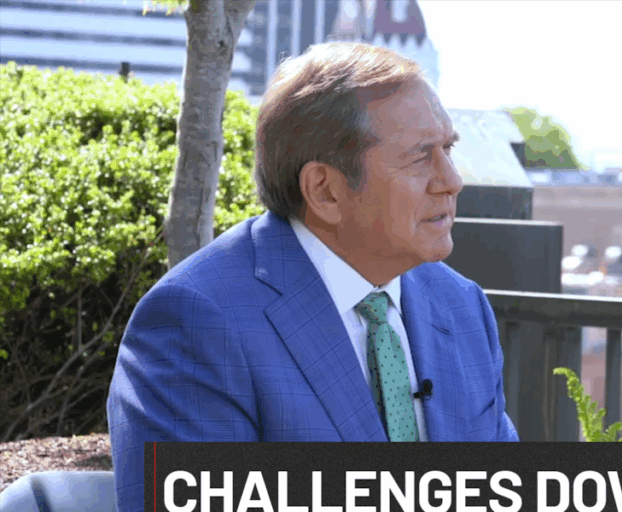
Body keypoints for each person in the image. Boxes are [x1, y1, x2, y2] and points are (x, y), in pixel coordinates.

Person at [106, 42, 519, 510]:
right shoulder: (195, 323)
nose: (451, 180)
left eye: (448, 148)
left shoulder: (461, 305)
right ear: (325, 190)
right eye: (421, 157)